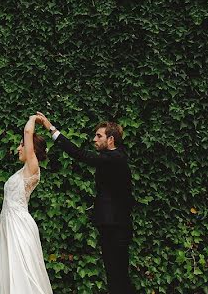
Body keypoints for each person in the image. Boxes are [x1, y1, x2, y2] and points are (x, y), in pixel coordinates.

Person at [36, 112, 136, 294]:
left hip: (117, 227)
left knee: (118, 276)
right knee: (115, 275)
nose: (94, 139)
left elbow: (79, 154)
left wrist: (51, 129)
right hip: (112, 225)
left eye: (99, 136)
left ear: (111, 139)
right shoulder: (113, 158)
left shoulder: (114, 158)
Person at [0, 115, 53, 293]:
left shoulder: (32, 168)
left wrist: (34, 118)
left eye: (22, 144)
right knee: (10, 273)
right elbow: (10, 207)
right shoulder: (21, 172)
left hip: (20, 228)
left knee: (23, 273)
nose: (19, 148)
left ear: (31, 149)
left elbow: (28, 131)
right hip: (9, 228)